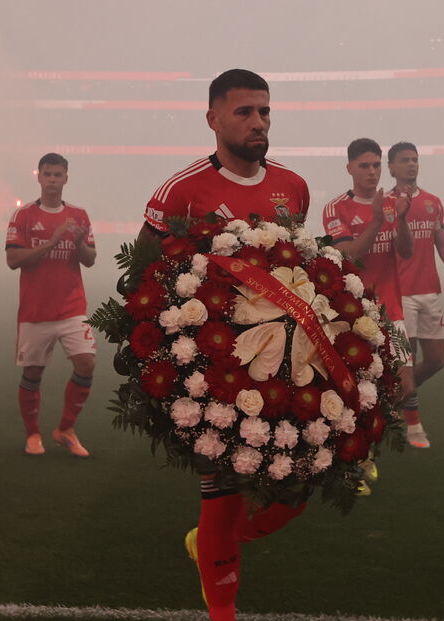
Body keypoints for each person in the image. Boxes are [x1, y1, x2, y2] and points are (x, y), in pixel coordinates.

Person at [139, 69, 309, 621]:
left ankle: (214, 544)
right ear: (213, 119)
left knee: (298, 484)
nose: (259, 122)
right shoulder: (181, 191)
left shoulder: (294, 187)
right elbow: (139, 276)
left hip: (283, 363)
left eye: (265, 111)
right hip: (215, 368)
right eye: (245, 112)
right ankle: (222, 609)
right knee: (222, 490)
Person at [5, 153, 97, 457]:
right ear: (39, 177)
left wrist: (79, 243)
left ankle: (65, 429)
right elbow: (13, 259)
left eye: (58, 175)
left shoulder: (79, 215)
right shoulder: (23, 215)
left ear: (66, 178)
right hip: (35, 310)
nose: (52, 180)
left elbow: (90, 259)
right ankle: (33, 434)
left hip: (72, 307)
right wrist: (52, 242)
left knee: (86, 363)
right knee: (33, 374)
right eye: (47, 174)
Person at [322, 138, 415, 435]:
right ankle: (355, 445)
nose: (372, 172)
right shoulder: (335, 208)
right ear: (349, 168)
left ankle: (370, 438)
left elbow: (407, 252)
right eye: (364, 166)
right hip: (353, 312)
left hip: (391, 309)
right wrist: (375, 222)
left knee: (405, 384)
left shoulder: (392, 204)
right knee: (351, 388)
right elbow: (349, 255)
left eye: (376, 165)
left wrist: (401, 220)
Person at [389, 142, 444, 448]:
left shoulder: (433, 202)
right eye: (404, 160)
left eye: (414, 159)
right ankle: (413, 425)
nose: (411, 164)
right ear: (391, 167)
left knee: (437, 360)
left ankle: (394, 396)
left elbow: (443, 243)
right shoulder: (385, 204)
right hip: (400, 294)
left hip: (429, 291)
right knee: (407, 362)